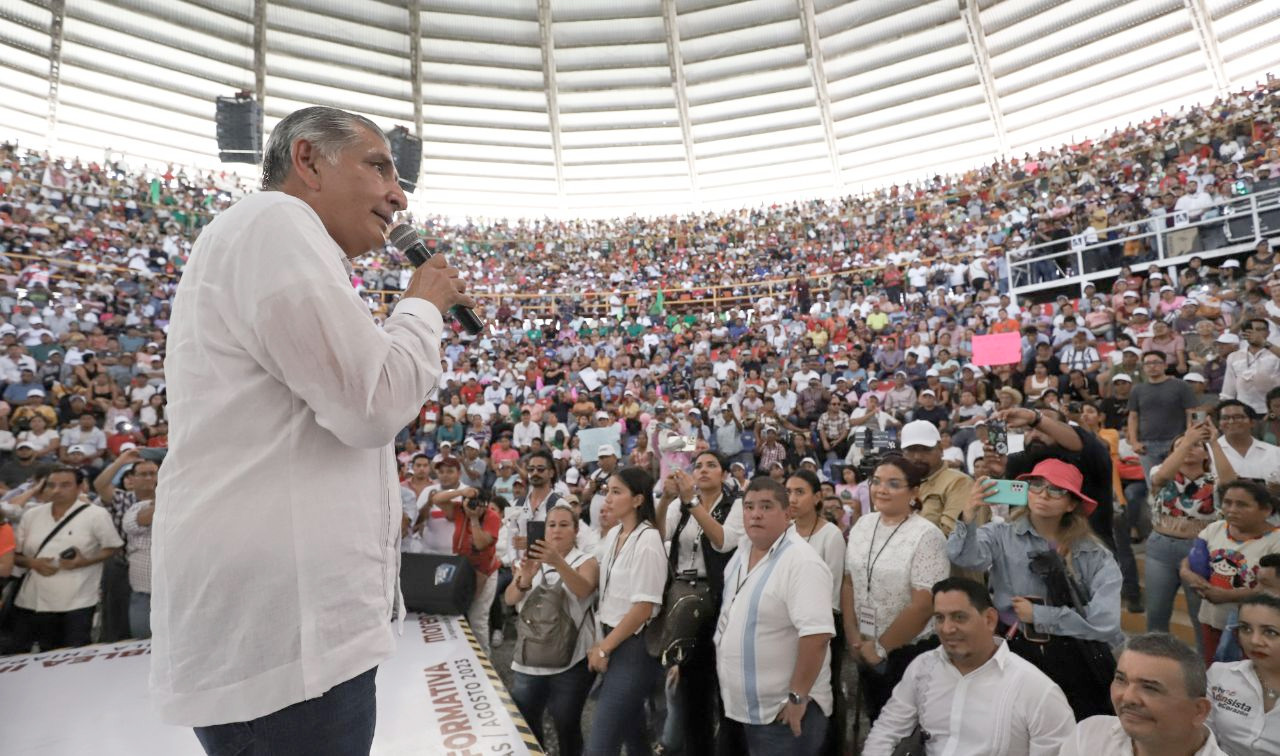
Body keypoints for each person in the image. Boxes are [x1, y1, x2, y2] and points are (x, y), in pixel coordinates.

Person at [151, 106, 473, 753]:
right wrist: (422, 306)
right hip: (288, 650)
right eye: (377, 166)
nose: (397, 193)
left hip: (288, 644)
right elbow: (372, 403)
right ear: (307, 161)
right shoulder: (276, 222)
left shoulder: (267, 237)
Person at [951, 458, 1123, 719]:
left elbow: (1106, 621)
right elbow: (962, 556)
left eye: (1056, 489)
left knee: (1068, 724)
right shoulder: (1000, 534)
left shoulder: (1093, 553)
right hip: (1012, 646)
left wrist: (1041, 616)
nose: (1043, 494)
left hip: (1072, 653)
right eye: (1036, 484)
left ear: (1072, 503)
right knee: (1012, 723)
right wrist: (968, 515)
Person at [863, 577, 1075, 755]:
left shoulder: (1037, 690)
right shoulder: (923, 668)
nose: (946, 628)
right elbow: (887, 730)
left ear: (990, 619)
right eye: (940, 618)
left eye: (959, 617)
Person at [715, 476, 835, 755]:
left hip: (783, 711)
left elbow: (816, 636)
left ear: (787, 513)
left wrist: (797, 696)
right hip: (747, 706)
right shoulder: (741, 553)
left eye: (767, 507)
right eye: (749, 506)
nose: (755, 514)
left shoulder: (801, 562)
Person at [841, 454, 950, 722]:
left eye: (893, 483)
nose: (881, 489)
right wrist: (853, 633)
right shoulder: (863, 525)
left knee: (905, 730)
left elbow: (923, 605)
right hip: (864, 641)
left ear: (914, 491)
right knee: (876, 719)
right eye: (876, 481)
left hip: (907, 651)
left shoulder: (926, 535)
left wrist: (881, 648)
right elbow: (849, 581)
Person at [653, 451, 742, 756]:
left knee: (723, 684)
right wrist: (666, 500)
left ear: (724, 474)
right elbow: (658, 533)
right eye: (698, 465)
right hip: (683, 594)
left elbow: (723, 540)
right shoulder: (680, 505)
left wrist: (692, 503)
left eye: (711, 465)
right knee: (691, 686)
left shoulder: (735, 506)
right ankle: (697, 747)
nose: (703, 470)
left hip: (717, 599)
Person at [504, 502, 599, 756]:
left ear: (576, 530)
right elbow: (510, 599)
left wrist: (558, 562)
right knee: (526, 722)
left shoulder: (586, 560)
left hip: (570, 662)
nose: (556, 530)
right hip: (529, 661)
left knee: (566, 724)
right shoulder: (531, 560)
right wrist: (523, 578)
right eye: (551, 525)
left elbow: (584, 589)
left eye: (564, 525)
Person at [584, 467, 666, 756]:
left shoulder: (648, 541)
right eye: (607, 490)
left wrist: (605, 648)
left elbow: (643, 607)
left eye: (616, 491)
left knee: (600, 744)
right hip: (613, 636)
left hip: (633, 647)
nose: (608, 497)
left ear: (637, 500)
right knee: (634, 734)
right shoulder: (616, 532)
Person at [8, 466, 123, 653]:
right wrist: (33, 563)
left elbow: (113, 547)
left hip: (79, 599)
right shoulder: (31, 515)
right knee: (43, 653)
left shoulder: (96, 514)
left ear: (80, 487)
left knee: (75, 655)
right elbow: (15, 555)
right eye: (51, 485)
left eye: (65, 485)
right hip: (35, 600)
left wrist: (83, 561)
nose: (56, 490)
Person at [1146, 422, 1236, 656]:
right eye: (1183, 446)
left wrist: (1214, 441)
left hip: (1199, 550)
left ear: (1206, 454)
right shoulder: (1160, 472)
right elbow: (1161, 477)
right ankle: (1154, 661)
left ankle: (1203, 669)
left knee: (1199, 615)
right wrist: (1187, 440)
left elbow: (1232, 485)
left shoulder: (1214, 481)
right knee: (1156, 612)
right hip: (1161, 547)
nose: (1189, 449)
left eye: (1198, 446)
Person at [1061, 633, 1229, 756]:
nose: (1127, 697)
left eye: (1150, 688)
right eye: (1121, 680)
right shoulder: (1088, 735)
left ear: (1199, 710)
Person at [1180, 480, 1280, 666]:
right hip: (1212, 617)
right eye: (1227, 502)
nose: (1232, 509)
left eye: (1242, 504)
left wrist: (1226, 596)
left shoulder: (1276, 541)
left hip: (1255, 627)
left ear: (1266, 510)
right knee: (1214, 670)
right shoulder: (1215, 528)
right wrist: (1188, 574)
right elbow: (1189, 561)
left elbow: (1272, 586)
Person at [786, 469, 848, 755]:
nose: (792, 498)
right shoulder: (785, 531)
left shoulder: (830, 535)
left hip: (822, 623)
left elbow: (832, 590)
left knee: (823, 689)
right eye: (788, 492)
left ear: (817, 496)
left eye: (800, 492)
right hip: (788, 624)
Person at [1206, 594, 1280, 755]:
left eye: (1270, 632)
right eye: (1245, 628)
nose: (1254, 641)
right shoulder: (1219, 674)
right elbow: (1203, 738)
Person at [900, 419, 977, 537]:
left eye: (925, 450)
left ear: (941, 450)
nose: (917, 456)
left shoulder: (959, 482)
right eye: (910, 450)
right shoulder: (901, 483)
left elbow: (951, 536)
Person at [1128, 350, 1198, 479]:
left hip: (1176, 443)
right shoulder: (1137, 389)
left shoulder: (1181, 386)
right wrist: (1134, 442)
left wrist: (1188, 438)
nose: (1152, 366)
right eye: (1147, 363)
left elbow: (1191, 413)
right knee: (1154, 485)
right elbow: (1133, 416)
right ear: (1143, 367)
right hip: (1147, 446)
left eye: (1156, 362)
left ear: (1165, 365)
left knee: (1180, 482)